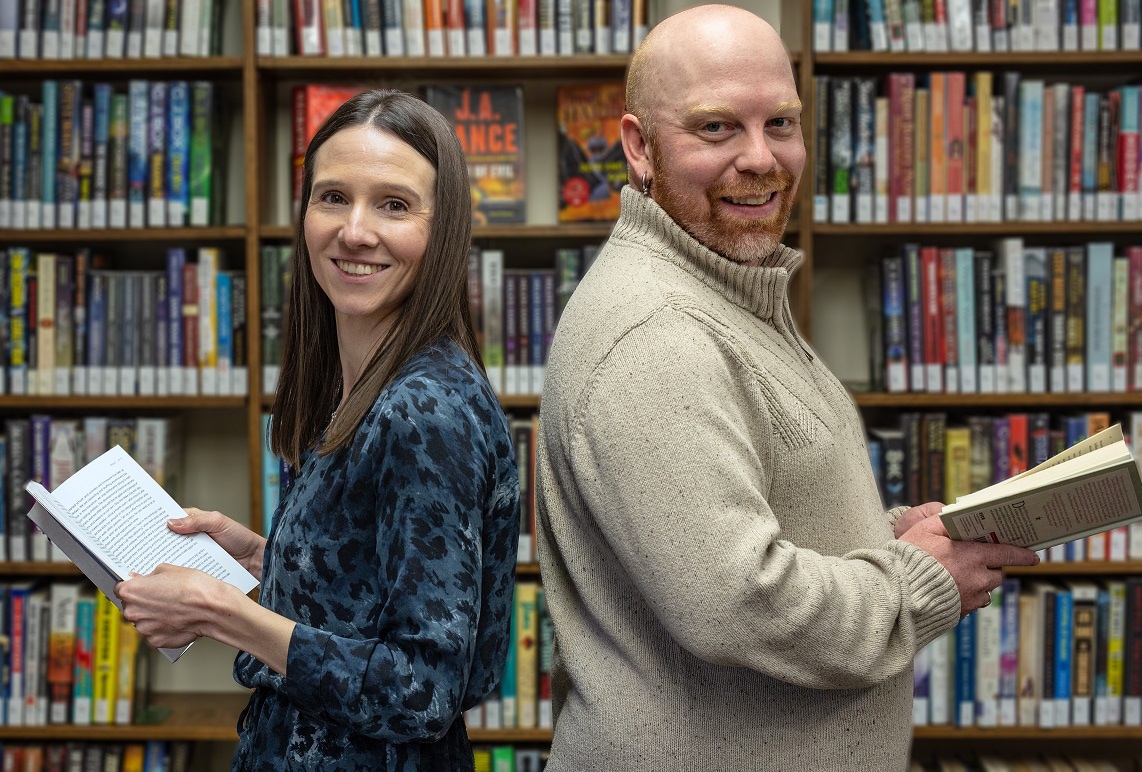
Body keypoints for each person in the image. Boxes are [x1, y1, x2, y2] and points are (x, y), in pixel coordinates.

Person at [534, 7, 1041, 770]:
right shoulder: (655, 333)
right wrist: (919, 580)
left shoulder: (727, 291)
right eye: (715, 129)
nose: (760, 158)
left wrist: (888, 536)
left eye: (779, 123)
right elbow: (736, 604)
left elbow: (743, 514)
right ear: (639, 147)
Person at [116, 89, 520, 771]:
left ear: (443, 227)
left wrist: (224, 613)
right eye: (332, 197)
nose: (354, 231)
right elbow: (382, 588)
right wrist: (264, 558)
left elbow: (424, 691)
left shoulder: (425, 410)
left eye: (393, 205)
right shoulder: (339, 385)